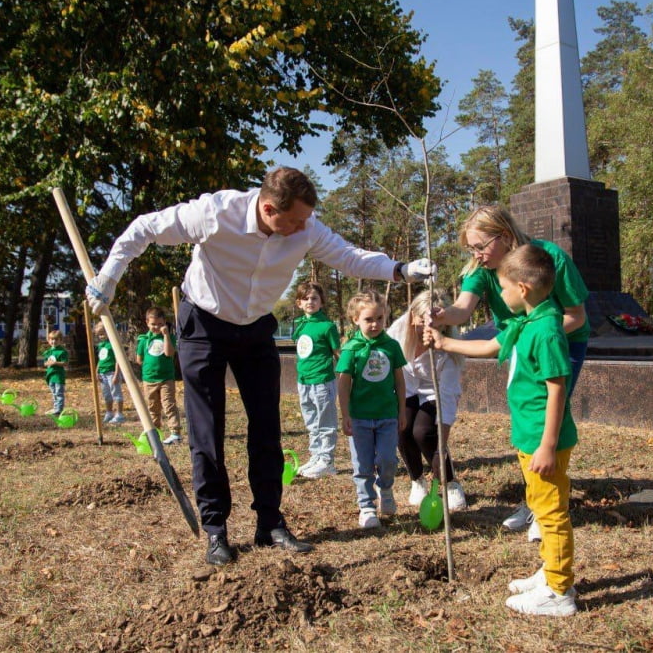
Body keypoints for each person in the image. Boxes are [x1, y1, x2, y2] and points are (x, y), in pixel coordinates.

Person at [86, 166, 434, 566]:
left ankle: (270, 522)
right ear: (269, 209)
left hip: (254, 328)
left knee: (267, 427)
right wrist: (108, 277)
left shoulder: (305, 226)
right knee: (207, 430)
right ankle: (216, 530)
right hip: (203, 323)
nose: (306, 228)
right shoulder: (216, 214)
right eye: (297, 220)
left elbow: (347, 256)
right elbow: (144, 228)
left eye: (307, 219)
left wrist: (400, 269)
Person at [426, 244, 579, 616]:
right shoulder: (525, 322)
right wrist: (445, 341)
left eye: (503, 288)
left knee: (551, 512)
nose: (500, 295)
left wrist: (547, 445)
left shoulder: (546, 330)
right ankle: (550, 572)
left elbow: (558, 389)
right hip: (530, 435)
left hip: (544, 439)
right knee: (542, 506)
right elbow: (493, 344)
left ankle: (560, 593)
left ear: (522, 289)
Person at [431, 205, 589, 537]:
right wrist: (441, 316)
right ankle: (535, 498)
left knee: (547, 416)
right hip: (520, 341)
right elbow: (462, 310)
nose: (476, 255)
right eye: (470, 249)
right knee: (528, 418)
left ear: (504, 236)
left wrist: (536, 334)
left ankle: (546, 508)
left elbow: (576, 315)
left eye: (480, 246)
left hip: (559, 341)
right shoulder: (482, 266)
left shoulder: (547, 258)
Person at [386, 289, 467, 511]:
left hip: (435, 393)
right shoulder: (398, 332)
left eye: (437, 323)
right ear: (413, 316)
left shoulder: (449, 350)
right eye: (423, 321)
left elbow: (448, 399)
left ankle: (450, 483)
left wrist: (441, 448)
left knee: (423, 432)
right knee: (403, 428)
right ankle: (417, 479)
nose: (429, 328)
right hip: (409, 389)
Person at [336, 291, 407, 529]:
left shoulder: (392, 346)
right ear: (356, 319)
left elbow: (399, 381)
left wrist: (402, 411)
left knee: (388, 460)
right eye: (368, 319)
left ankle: (385, 489)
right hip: (360, 418)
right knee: (363, 465)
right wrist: (345, 414)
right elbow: (344, 383)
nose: (375, 324)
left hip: (388, 416)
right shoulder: (351, 349)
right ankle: (367, 506)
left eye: (379, 318)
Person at [291, 282, 341, 479]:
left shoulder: (327, 326)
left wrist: (348, 375)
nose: (310, 301)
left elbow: (338, 352)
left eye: (314, 298)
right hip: (303, 381)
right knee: (311, 421)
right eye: (306, 298)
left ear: (321, 302)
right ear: (299, 303)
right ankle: (316, 456)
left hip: (322, 382)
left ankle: (327, 461)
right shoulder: (301, 325)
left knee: (325, 421)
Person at [135, 307, 183, 445]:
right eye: (153, 324)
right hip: (149, 380)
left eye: (160, 324)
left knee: (169, 404)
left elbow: (169, 354)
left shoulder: (169, 337)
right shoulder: (144, 340)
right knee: (152, 407)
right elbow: (139, 359)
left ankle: (175, 433)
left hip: (166, 379)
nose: (156, 327)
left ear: (165, 323)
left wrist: (166, 335)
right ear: (147, 323)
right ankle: (155, 432)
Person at [94, 321, 126, 424]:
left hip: (112, 373)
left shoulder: (112, 344)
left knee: (116, 393)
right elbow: (100, 359)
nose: (101, 336)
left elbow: (118, 360)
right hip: (102, 373)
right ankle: (109, 412)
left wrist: (117, 374)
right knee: (106, 395)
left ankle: (119, 414)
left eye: (103, 333)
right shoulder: (101, 345)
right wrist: (96, 371)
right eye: (99, 335)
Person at [42, 330, 69, 416]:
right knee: (54, 393)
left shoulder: (62, 352)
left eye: (56, 339)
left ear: (60, 340)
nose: (53, 341)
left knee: (59, 393)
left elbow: (65, 363)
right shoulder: (49, 352)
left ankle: (59, 410)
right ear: (49, 340)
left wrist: (55, 363)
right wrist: (47, 363)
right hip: (50, 376)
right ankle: (55, 408)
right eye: (51, 339)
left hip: (58, 376)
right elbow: (45, 362)